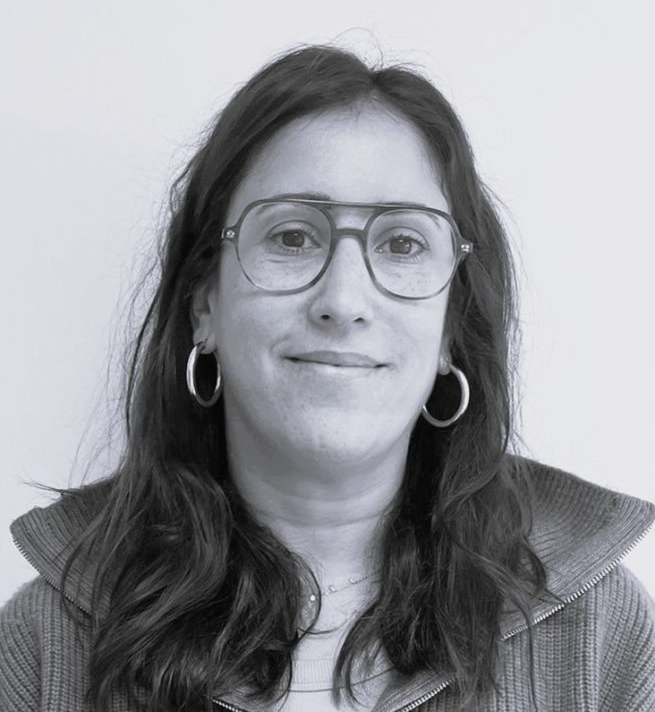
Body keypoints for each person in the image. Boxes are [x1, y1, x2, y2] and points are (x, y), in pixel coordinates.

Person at [1, 45, 653, 712]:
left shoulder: (604, 637)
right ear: (204, 305)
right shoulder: (43, 644)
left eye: (402, 243)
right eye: (292, 237)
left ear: (450, 327)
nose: (342, 300)